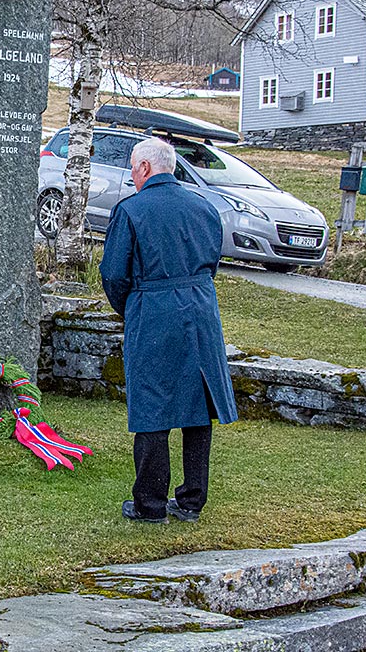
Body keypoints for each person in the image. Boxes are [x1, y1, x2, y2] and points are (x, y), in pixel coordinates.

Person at [99, 137, 238, 524]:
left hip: (154, 308)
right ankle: (192, 500)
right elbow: (212, 262)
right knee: (197, 405)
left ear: (145, 168)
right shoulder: (204, 207)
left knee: (152, 405)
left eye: (131, 167)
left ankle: (150, 504)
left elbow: (113, 274)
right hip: (200, 310)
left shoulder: (131, 210)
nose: (131, 174)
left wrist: (132, 307)